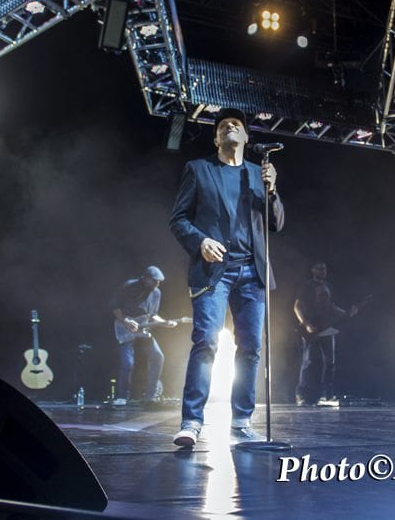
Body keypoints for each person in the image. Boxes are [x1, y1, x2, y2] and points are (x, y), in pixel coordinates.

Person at [169, 108, 284, 446]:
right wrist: (200, 241)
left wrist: (272, 190)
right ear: (216, 138)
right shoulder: (198, 169)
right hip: (213, 272)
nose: (230, 126)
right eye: (223, 125)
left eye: (236, 124)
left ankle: (242, 422)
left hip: (252, 272)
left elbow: (276, 224)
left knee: (250, 348)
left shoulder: (258, 174)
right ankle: (191, 421)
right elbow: (178, 219)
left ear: (246, 138)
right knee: (206, 341)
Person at [109, 265, 177, 405]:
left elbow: (153, 315)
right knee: (128, 363)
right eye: (154, 281)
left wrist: (164, 323)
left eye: (159, 281)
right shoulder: (129, 286)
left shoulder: (156, 293)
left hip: (143, 329)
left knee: (158, 356)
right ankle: (122, 396)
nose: (157, 284)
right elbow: (114, 306)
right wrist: (126, 321)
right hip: (125, 327)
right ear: (145, 278)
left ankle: (151, 395)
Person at [293, 263, 358, 405]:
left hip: (327, 329)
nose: (323, 271)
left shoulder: (329, 286)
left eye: (325, 268)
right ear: (313, 270)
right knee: (307, 362)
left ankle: (326, 395)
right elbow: (297, 306)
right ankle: (301, 394)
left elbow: (332, 307)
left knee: (330, 363)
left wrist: (347, 313)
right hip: (311, 329)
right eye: (320, 268)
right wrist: (306, 324)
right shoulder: (306, 286)